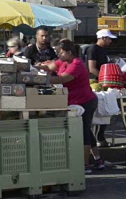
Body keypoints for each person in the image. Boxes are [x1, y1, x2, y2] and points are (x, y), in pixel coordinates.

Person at [35, 40, 103, 173]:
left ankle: (85, 164)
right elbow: (50, 67)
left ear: (69, 52)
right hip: (76, 100)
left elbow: (62, 79)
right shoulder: (64, 61)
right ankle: (98, 160)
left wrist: (40, 80)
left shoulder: (76, 64)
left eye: (61, 52)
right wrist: (33, 68)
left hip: (85, 102)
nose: (58, 55)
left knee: (83, 131)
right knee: (86, 130)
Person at [87, 29, 115, 147]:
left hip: (104, 82)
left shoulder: (104, 50)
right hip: (95, 81)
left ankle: (101, 135)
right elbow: (92, 68)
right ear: (103, 38)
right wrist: (103, 78)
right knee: (99, 110)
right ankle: (97, 137)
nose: (110, 41)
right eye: (108, 39)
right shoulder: (93, 49)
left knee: (107, 108)